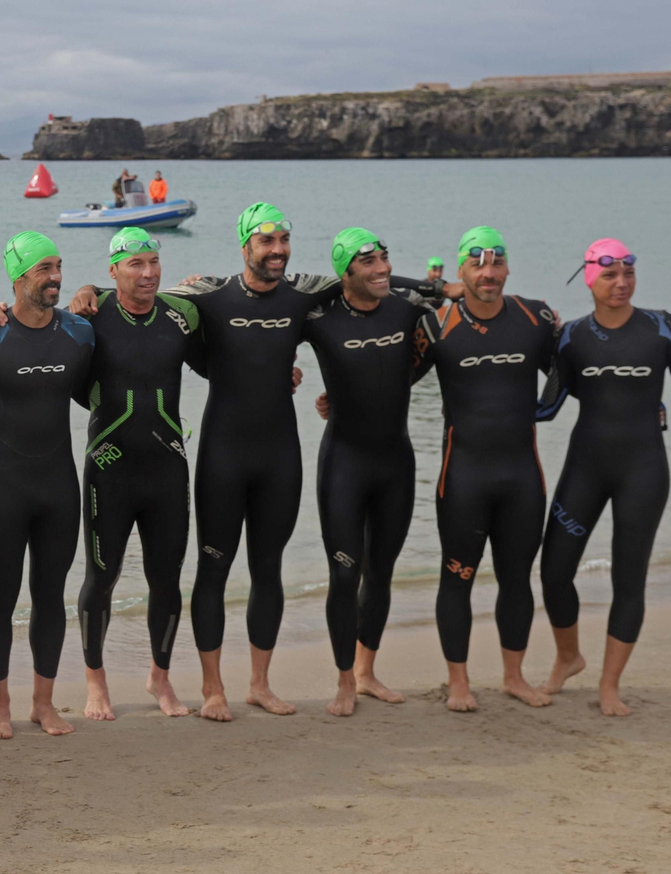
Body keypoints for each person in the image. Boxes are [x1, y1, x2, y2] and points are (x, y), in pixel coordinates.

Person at [67, 202, 438, 721]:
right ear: (245, 246)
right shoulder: (209, 297)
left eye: (284, 240)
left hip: (280, 455)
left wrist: (439, 290)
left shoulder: (305, 294)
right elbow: (140, 299)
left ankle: (259, 684)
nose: (278, 251)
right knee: (213, 570)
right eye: (266, 242)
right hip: (223, 453)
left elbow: (362, 279)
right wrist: (89, 288)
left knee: (269, 571)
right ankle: (213, 689)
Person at [535, 238, 671, 716]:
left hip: (644, 470)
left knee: (629, 580)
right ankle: (569, 657)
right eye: (610, 275)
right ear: (590, 278)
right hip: (585, 467)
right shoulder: (571, 336)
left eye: (628, 274)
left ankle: (609, 685)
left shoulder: (663, 327)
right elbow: (547, 405)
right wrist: (484, 408)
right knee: (553, 572)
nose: (622, 283)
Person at [62, 227, 207, 720]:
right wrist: (86, 290)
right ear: (113, 271)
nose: (147, 273)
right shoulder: (91, 314)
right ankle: (95, 681)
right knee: (101, 576)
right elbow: (67, 379)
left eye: (153, 263)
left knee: (166, 579)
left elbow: (223, 358)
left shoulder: (181, 315)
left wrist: (284, 374)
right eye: (135, 265)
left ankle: (159, 679)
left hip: (168, 466)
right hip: (109, 468)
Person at [412, 226, 559, 712]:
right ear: (461, 271)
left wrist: (548, 408)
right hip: (464, 478)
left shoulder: (535, 318)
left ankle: (514, 677)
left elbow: (576, 371)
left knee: (518, 579)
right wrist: (338, 400)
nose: (488, 274)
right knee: (457, 578)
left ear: (508, 269)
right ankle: (458, 682)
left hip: (523, 477)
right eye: (477, 265)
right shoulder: (436, 324)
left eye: (496, 264)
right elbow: (387, 378)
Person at [303, 228, 447, 716]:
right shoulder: (319, 318)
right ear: (346, 273)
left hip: (395, 463)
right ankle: (344, 680)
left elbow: (428, 352)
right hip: (344, 462)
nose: (382, 268)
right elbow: (263, 330)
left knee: (380, 574)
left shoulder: (406, 309)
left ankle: (366, 672)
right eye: (369, 262)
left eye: (385, 258)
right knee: (344, 576)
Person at [0, 232, 93, 738]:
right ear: (17, 279)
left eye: (58, 267)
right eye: (43, 269)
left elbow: (109, 379)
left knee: (51, 595)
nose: (55, 276)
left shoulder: (79, 332)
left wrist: (94, 286)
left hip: (59, 484)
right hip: (3, 485)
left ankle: (43, 702)